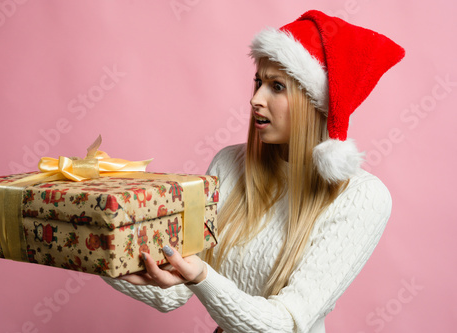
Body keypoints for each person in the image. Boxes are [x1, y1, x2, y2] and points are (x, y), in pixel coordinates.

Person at [102, 10, 405, 333]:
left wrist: (202, 277)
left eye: (277, 86)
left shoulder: (362, 197)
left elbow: (283, 324)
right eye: (258, 82)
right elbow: (175, 291)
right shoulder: (228, 164)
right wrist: (97, 249)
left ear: (316, 103)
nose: (255, 99)